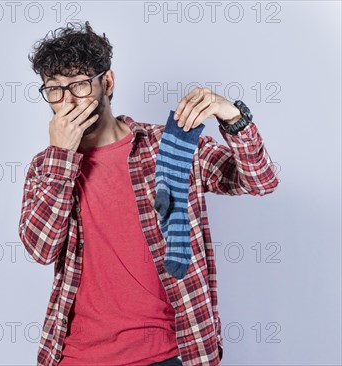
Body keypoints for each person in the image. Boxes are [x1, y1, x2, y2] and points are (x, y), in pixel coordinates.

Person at [18, 21, 279, 366]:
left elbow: (260, 180)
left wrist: (232, 117)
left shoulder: (168, 147)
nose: (67, 101)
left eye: (79, 85)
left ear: (107, 82)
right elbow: (41, 249)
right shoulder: (46, 166)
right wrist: (62, 157)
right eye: (54, 89)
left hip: (169, 354)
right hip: (78, 356)